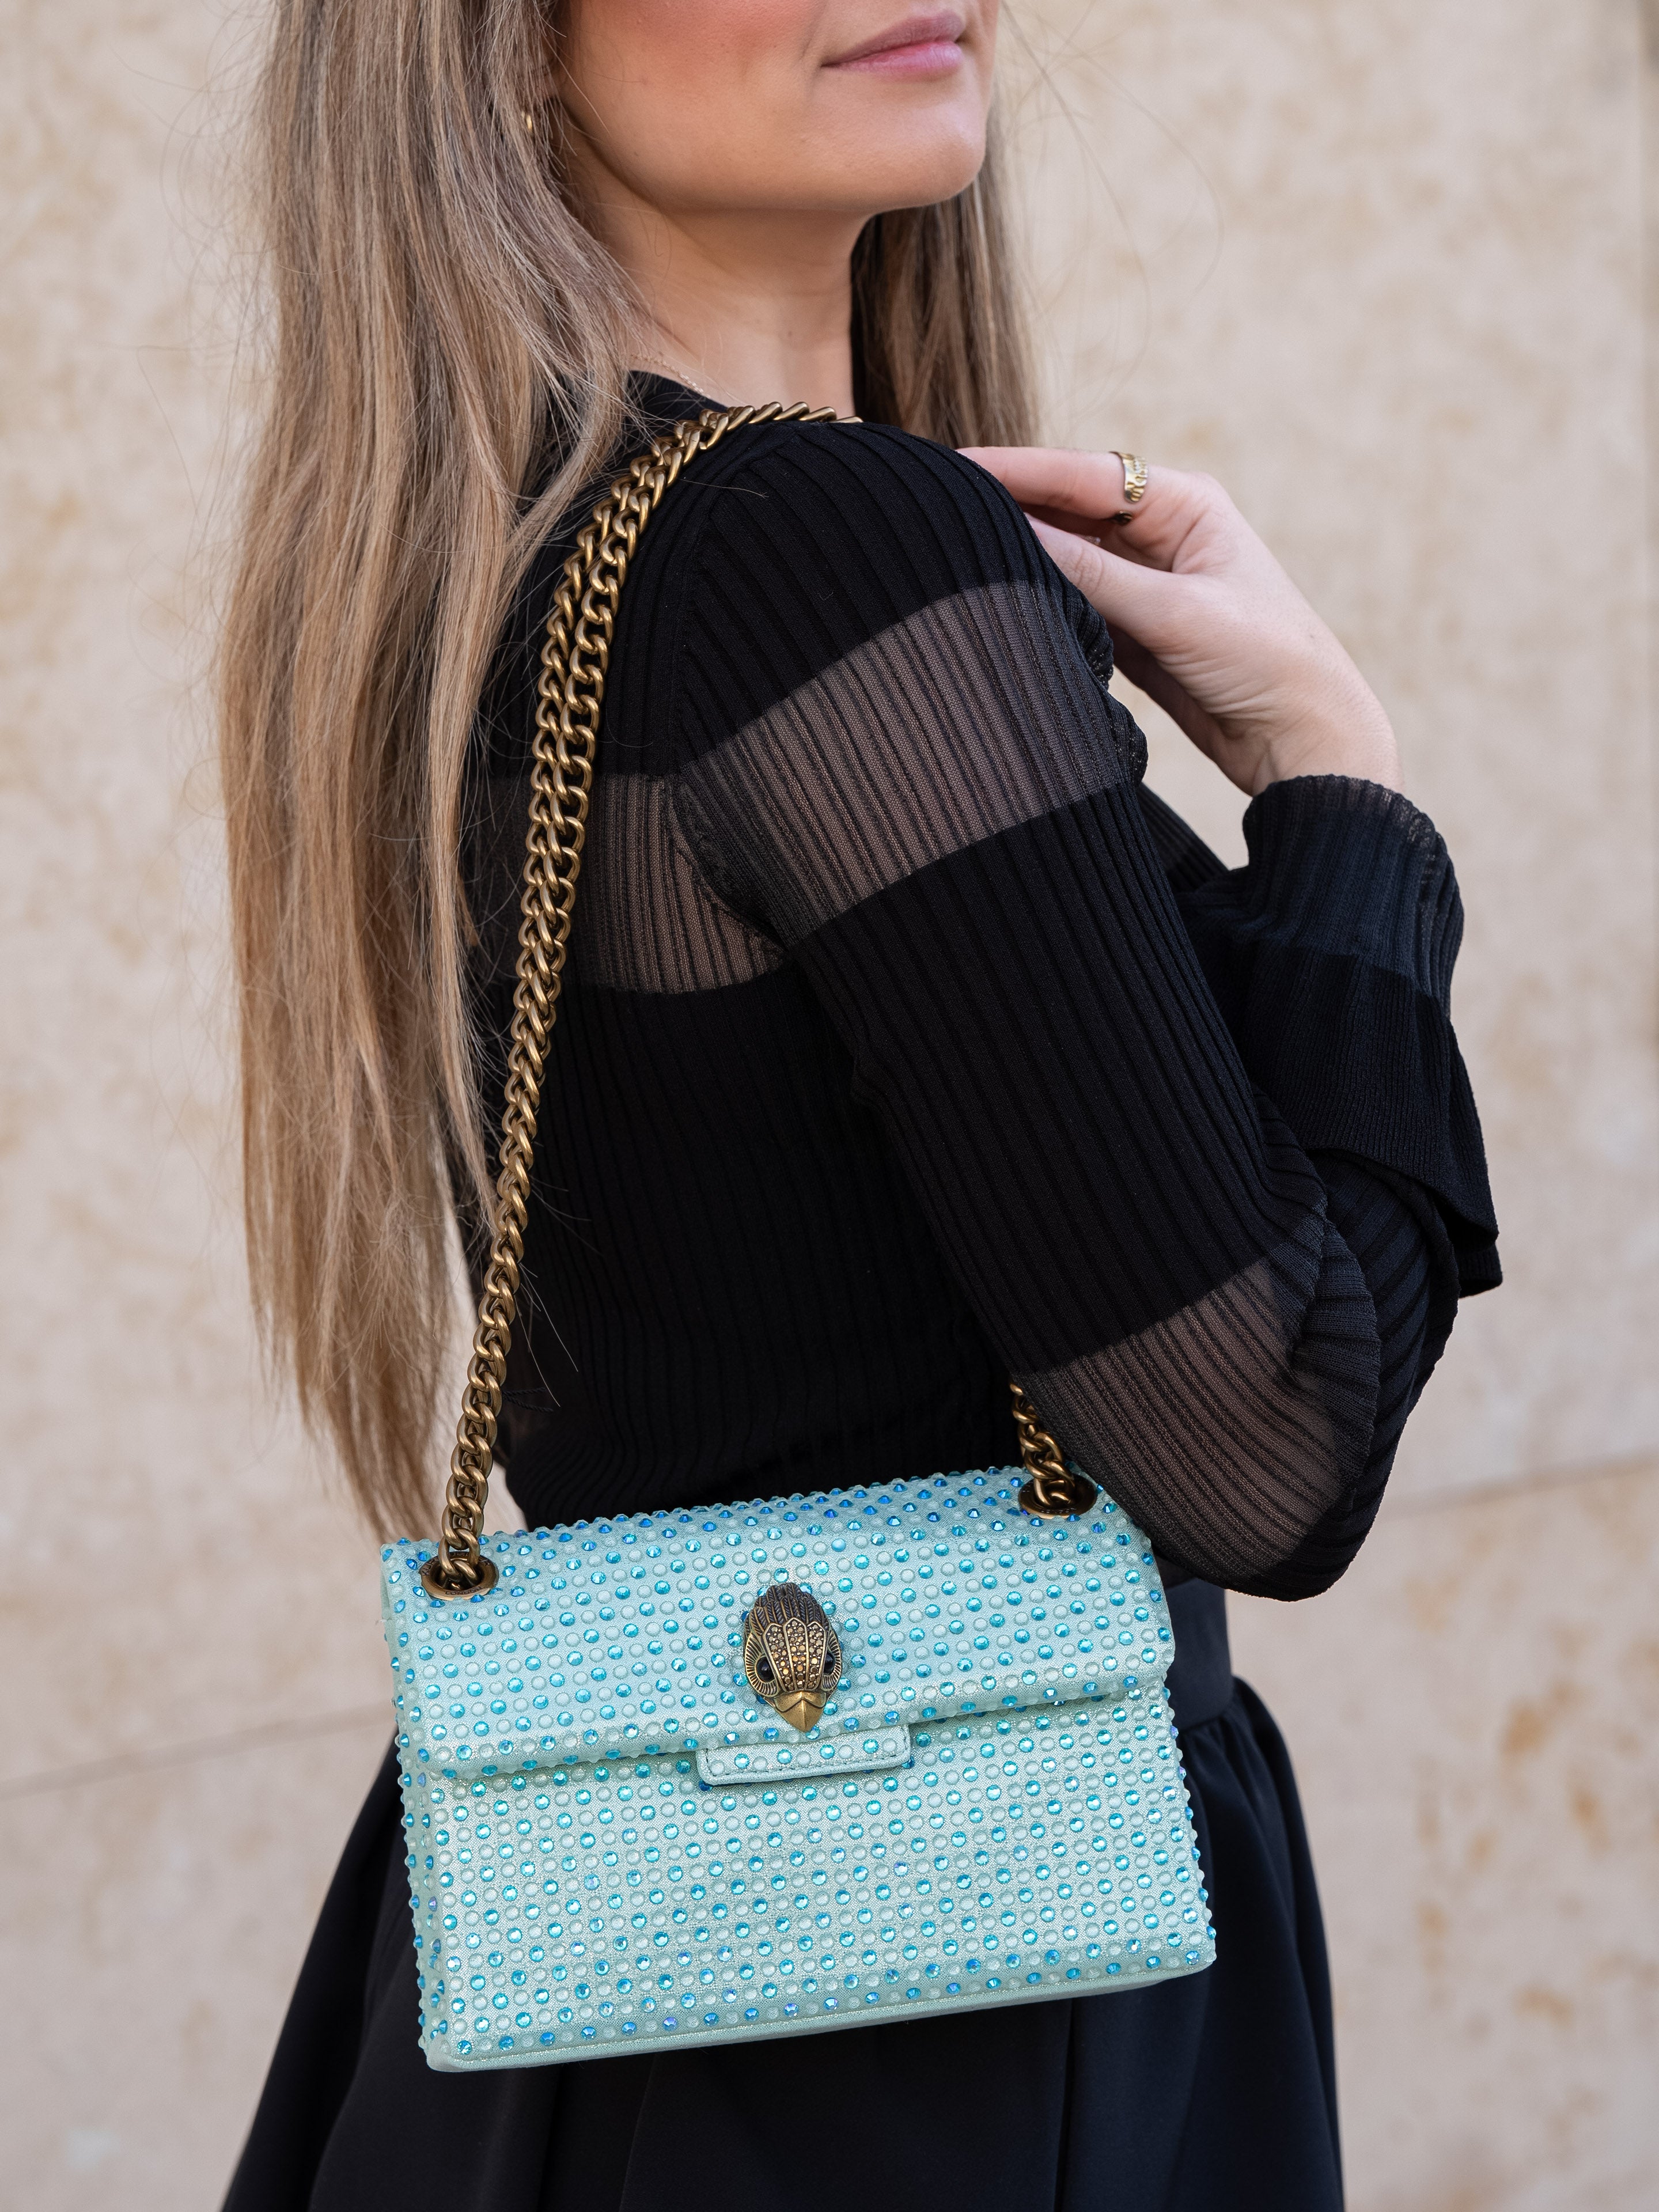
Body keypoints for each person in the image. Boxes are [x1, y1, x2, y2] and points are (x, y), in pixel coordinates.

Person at [218, 3, 1499, 2207]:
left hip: (624, 1991)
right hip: (949, 2034)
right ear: (501, 43)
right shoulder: (821, 558)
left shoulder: (486, 562)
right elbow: (1275, 1443)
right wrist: (1342, 795)